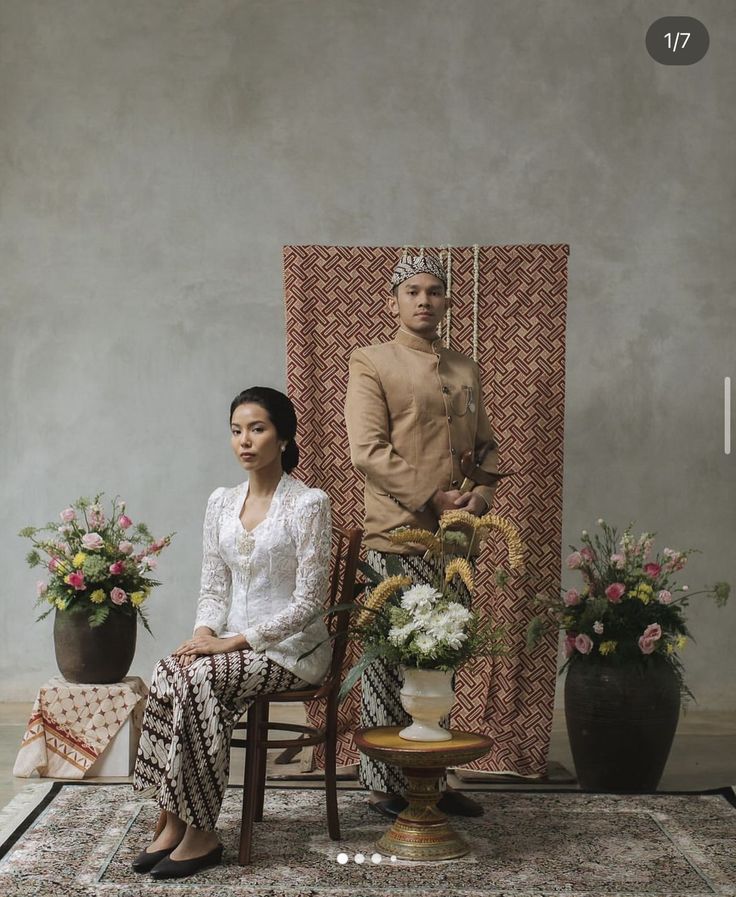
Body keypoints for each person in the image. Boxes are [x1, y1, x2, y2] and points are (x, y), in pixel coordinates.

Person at [132, 387, 332, 879]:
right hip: (228, 645)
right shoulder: (221, 502)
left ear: (283, 437)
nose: (245, 441)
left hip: (290, 650)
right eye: (237, 430)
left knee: (202, 681)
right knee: (168, 670)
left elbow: (309, 605)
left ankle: (200, 831)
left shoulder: (308, 504)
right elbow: (212, 588)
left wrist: (230, 643)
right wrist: (202, 634)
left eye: (257, 429)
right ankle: (171, 816)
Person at [344, 254, 499, 819]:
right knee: (391, 655)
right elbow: (368, 451)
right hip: (399, 532)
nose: (425, 300)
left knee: (443, 651)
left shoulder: (464, 368)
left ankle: (433, 773)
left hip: (457, 539)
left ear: (448, 304)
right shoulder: (371, 361)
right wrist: (432, 497)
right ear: (395, 301)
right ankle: (386, 782)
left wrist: (477, 500)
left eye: (435, 292)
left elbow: (486, 449)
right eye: (413, 291)